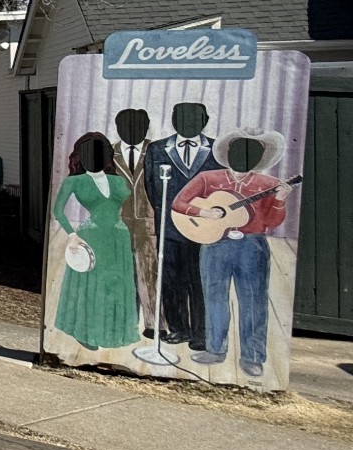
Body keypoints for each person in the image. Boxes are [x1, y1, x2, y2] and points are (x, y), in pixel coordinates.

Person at [174, 131, 293, 379]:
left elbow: (272, 221)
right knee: (214, 297)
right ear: (228, 154)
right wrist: (203, 213)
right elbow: (179, 202)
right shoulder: (208, 178)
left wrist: (280, 199)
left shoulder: (267, 184)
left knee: (252, 301)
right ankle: (215, 350)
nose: (243, 157)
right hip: (215, 242)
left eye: (251, 153)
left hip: (252, 246)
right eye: (238, 151)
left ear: (259, 158)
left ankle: (252, 356)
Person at [52, 131, 141, 350]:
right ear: (80, 156)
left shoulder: (118, 180)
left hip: (118, 238)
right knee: (92, 286)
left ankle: (113, 332)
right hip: (91, 238)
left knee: (117, 284)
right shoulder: (74, 181)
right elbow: (58, 211)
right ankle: (87, 332)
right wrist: (72, 236)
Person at [143, 102, 217, 355]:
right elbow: (151, 186)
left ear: (204, 121)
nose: (186, 123)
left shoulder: (217, 150)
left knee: (200, 280)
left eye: (194, 118)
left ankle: (201, 333)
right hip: (170, 225)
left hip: (205, 227)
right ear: (173, 120)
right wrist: (166, 214)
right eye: (180, 117)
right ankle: (178, 327)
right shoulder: (157, 149)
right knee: (172, 278)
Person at [112, 108, 157, 332]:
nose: (131, 131)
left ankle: (153, 323)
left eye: (139, 126)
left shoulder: (156, 152)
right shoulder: (110, 154)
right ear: (117, 128)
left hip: (149, 222)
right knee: (122, 273)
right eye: (125, 126)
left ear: (146, 127)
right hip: (119, 223)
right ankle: (127, 321)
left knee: (150, 273)